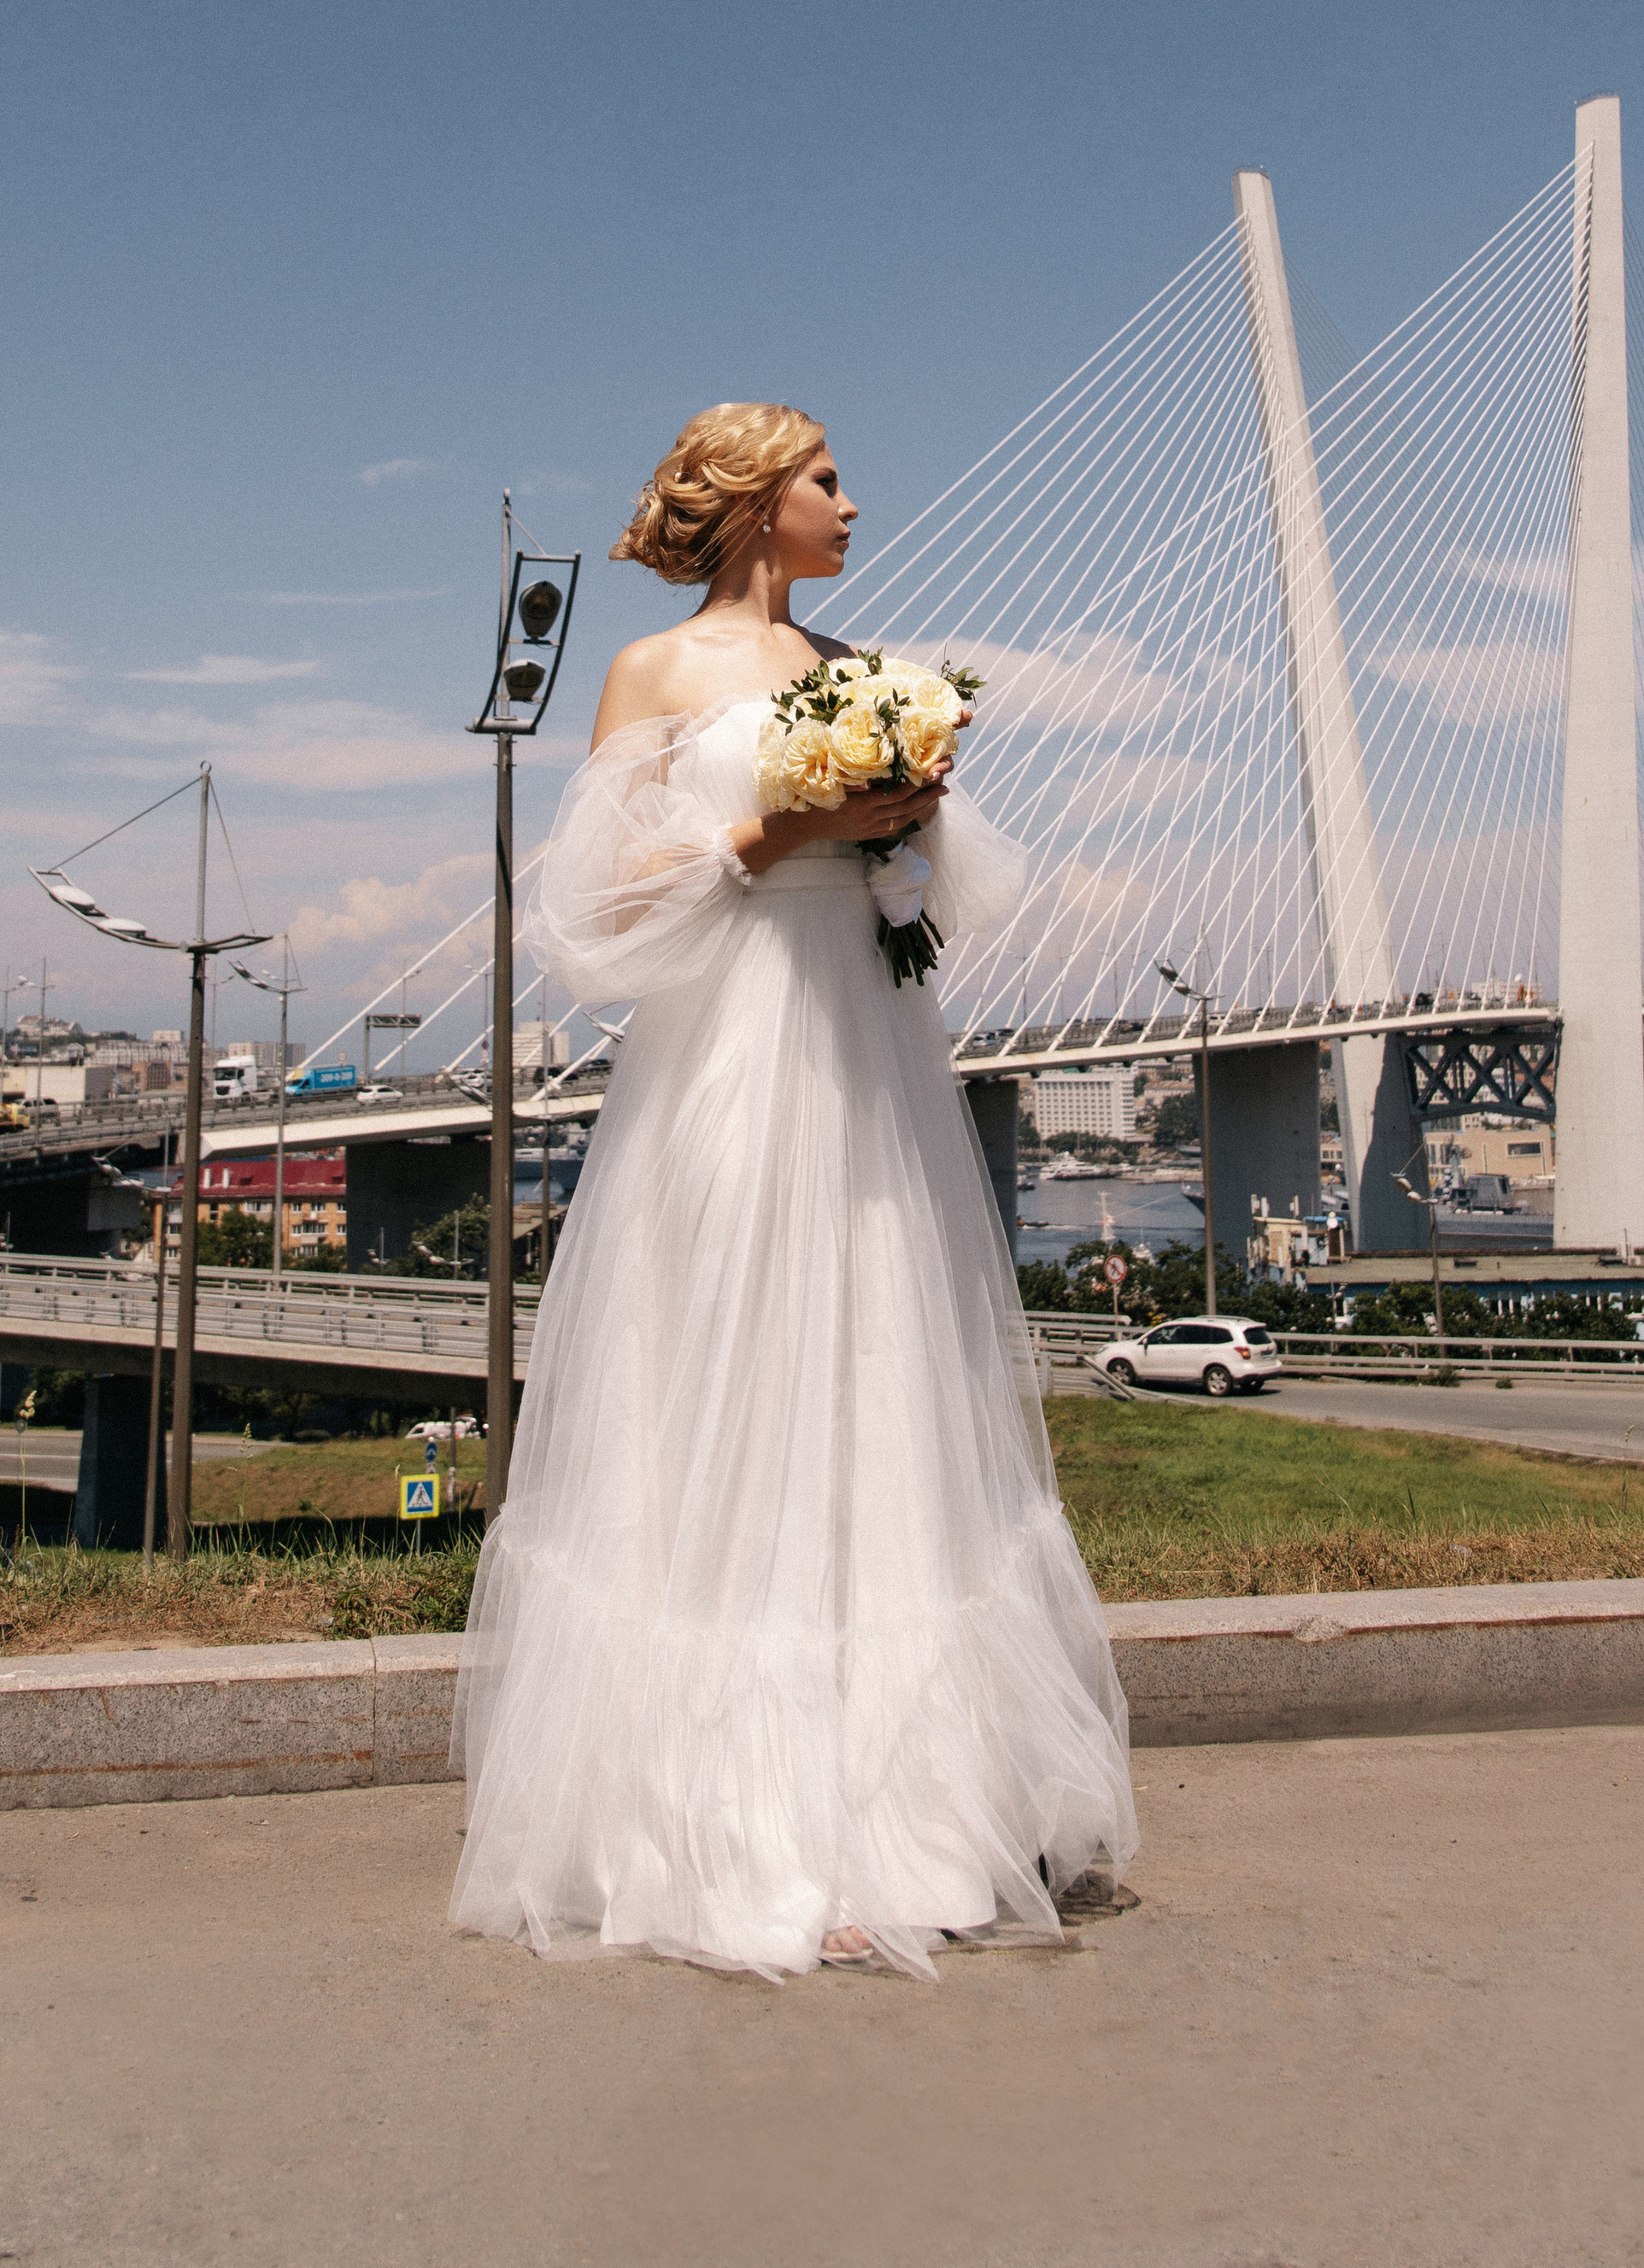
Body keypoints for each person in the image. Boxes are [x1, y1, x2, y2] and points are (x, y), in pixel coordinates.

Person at [449, 401, 1136, 1978]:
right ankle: (730, 1831)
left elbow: (942, 892)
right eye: (828, 478)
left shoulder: (858, 666)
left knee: (880, 1376)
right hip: (732, 1053)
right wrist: (776, 833)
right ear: (760, 502)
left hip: (866, 1047)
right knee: (728, 1378)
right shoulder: (652, 673)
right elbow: (600, 905)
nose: (851, 501)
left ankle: (910, 1822)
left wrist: (906, 820)